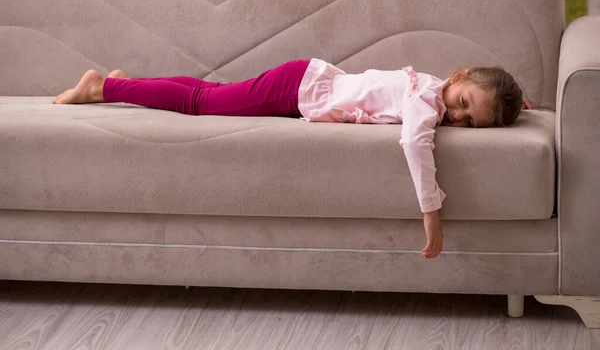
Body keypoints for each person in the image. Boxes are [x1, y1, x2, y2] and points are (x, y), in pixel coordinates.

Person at [52, 58, 533, 259]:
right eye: (464, 102)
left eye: (470, 121)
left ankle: (122, 80)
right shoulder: (425, 103)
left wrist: (516, 105)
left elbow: (485, 99)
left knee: (209, 93)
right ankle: (103, 86)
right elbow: (413, 144)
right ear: (459, 75)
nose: (456, 115)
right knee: (201, 103)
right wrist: (432, 213)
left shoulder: (431, 85)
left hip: (304, 81)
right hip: (298, 87)